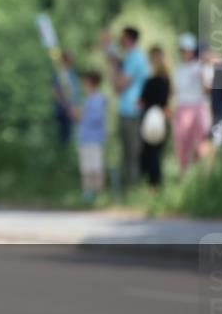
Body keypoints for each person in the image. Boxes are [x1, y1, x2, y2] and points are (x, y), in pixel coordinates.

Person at [107, 27, 150, 187]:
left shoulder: (135, 58)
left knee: (132, 151)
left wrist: (112, 69)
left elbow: (119, 86)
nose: (120, 40)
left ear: (129, 38)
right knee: (128, 151)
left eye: (122, 37)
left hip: (132, 110)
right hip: (128, 109)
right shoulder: (131, 57)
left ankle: (134, 185)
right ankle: (132, 185)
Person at [171, 33, 208, 173]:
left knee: (201, 143)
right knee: (182, 143)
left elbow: (206, 89)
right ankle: (184, 172)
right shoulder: (179, 69)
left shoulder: (200, 67)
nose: (184, 52)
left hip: (198, 107)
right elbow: (174, 91)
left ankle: (201, 173)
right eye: (182, 49)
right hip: (182, 108)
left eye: (186, 49)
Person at [139, 47, 171, 189]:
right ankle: (157, 183)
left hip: (149, 120)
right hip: (162, 119)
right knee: (157, 154)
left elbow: (141, 101)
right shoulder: (166, 80)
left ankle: (152, 184)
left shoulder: (150, 81)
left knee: (149, 154)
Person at [73, 71, 106, 202]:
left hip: (95, 138)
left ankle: (98, 192)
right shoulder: (86, 99)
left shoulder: (98, 99)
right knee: (86, 166)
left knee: (95, 166)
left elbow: (96, 118)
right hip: (85, 138)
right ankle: (87, 192)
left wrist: (81, 116)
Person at [52, 50, 81, 146]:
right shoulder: (61, 73)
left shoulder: (71, 72)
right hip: (65, 110)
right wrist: (66, 107)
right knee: (65, 137)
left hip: (73, 109)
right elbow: (56, 92)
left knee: (74, 136)